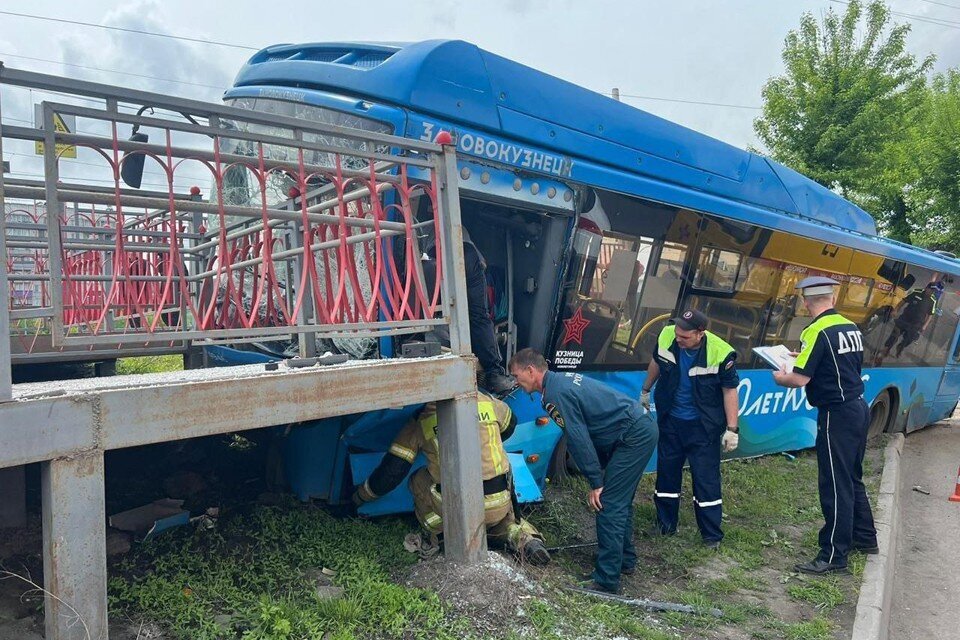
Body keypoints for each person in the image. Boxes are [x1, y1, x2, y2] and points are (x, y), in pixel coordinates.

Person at [508, 348, 658, 594]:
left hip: (633, 436)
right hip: (633, 430)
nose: (516, 382)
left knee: (608, 504)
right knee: (619, 501)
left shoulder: (555, 394)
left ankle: (606, 580)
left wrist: (596, 482)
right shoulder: (556, 384)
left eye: (516, 375)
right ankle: (624, 561)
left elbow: (578, 438)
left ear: (531, 370)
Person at [352, 390, 550, 565]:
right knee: (503, 516)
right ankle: (526, 539)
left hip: (456, 507)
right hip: (499, 500)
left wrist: (359, 497)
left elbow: (391, 473)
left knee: (418, 479)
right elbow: (510, 423)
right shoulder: (487, 402)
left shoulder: (422, 419)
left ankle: (442, 533)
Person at [772, 276, 878, 575]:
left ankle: (833, 555)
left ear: (806, 302)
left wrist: (780, 377)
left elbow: (799, 379)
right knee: (852, 477)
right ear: (832, 298)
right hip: (858, 407)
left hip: (836, 413)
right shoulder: (850, 326)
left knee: (834, 483)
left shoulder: (815, 330)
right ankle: (865, 537)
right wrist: (802, 358)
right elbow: (842, 366)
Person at [642, 308, 740, 549]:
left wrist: (732, 429)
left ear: (700, 333)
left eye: (684, 337)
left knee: (706, 480)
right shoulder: (667, 336)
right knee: (667, 475)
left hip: (702, 427)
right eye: (677, 334)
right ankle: (665, 525)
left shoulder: (721, 352)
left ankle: (711, 536)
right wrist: (645, 390)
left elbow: (730, 390)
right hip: (671, 421)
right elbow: (656, 361)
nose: (678, 339)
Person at [421, 227, 515, 394]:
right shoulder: (462, 229)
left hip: (434, 256)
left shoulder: (420, 225)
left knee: (436, 315)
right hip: (467, 255)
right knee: (479, 317)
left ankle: (444, 363)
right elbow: (483, 265)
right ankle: (495, 375)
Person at [875, 281, 939, 363]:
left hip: (916, 323)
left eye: (934, 291)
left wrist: (925, 326)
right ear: (926, 288)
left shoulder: (933, 300)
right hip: (905, 318)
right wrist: (896, 310)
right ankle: (885, 350)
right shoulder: (916, 292)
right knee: (894, 335)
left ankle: (901, 346)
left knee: (908, 339)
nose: (932, 292)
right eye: (931, 290)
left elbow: (930, 315)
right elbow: (903, 301)